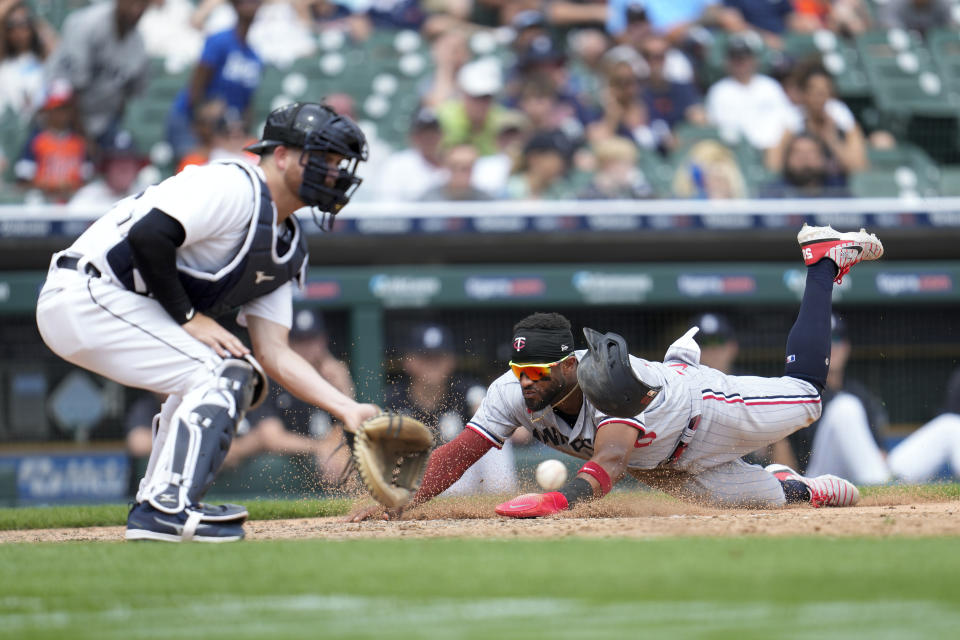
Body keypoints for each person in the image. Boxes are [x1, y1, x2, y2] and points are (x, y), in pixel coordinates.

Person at [350, 223, 883, 522]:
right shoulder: (512, 391)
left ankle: (822, 262)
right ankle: (797, 486)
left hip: (706, 411)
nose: (526, 382)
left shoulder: (604, 378)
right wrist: (401, 498)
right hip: (669, 465)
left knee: (809, 396)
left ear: (566, 365)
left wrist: (557, 501)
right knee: (768, 503)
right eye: (520, 371)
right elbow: (459, 454)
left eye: (537, 372)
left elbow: (610, 461)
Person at [36, 101, 379, 542]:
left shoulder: (287, 245)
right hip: (85, 292)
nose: (334, 172)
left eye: (338, 163)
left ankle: (156, 505)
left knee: (232, 372)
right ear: (281, 155)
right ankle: (166, 507)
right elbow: (149, 235)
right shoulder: (234, 182)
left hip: (120, 304)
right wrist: (188, 317)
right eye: (324, 159)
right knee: (223, 371)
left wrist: (346, 408)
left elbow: (274, 353)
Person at [384, 323, 518, 496]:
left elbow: (505, 423)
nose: (432, 364)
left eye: (439, 357)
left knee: (493, 438)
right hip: (415, 481)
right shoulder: (394, 399)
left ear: (451, 360)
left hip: (460, 479)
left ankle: (502, 499)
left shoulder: (467, 391)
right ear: (408, 361)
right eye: (425, 357)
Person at [45, 0, 150, 149]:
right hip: (61, 116)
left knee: (127, 155)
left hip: (103, 122)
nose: (136, 10)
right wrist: (85, 140)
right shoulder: (89, 24)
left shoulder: (138, 45)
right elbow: (72, 89)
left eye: (142, 5)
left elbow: (131, 95)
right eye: (132, 4)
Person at [167, 0, 264, 161]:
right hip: (189, 121)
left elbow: (247, 104)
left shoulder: (255, 56)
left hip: (225, 129)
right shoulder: (218, 41)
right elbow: (196, 87)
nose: (250, 5)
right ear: (235, 5)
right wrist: (202, 116)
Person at [704, 34, 796, 151]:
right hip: (738, 151)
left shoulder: (769, 86)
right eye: (736, 59)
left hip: (773, 149)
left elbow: (790, 120)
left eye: (744, 58)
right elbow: (719, 128)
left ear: (753, 60)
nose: (741, 63)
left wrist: (778, 148)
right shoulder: (719, 91)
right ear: (728, 62)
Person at [15, 80, 93, 203]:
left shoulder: (80, 142)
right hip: (43, 201)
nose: (62, 114)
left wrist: (70, 186)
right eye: (57, 109)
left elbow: (87, 180)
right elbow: (22, 181)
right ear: (47, 111)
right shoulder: (35, 140)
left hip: (73, 202)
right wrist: (48, 186)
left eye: (65, 109)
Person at [68, 129, 149, 213]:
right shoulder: (87, 196)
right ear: (106, 167)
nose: (123, 168)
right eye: (117, 161)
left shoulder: (147, 195)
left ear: (137, 167)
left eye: (129, 161)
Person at [0, 0, 57, 119]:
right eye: (11, 26)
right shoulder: (4, 60)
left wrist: (34, 19)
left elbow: (57, 51)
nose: (18, 31)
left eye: (24, 24)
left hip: (38, 125)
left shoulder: (41, 57)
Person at [760, 132, 850, 198]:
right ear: (787, 160)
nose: (804, 158)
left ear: (823, 159)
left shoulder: (838, 193)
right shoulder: (772, 195)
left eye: (811, 152)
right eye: (797, 152)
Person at [419, 143, 493, 201]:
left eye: (466, 168)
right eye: (454, 167)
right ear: (445, 166)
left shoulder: (486, 201)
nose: (459, 173)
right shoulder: (427, 200)